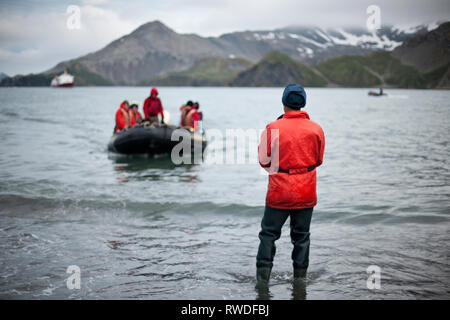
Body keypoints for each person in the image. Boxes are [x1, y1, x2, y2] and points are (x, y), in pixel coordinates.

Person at [256, 84, 325, 287]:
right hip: (306, 190)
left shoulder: (272, 127)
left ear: (284, 103)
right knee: (302, 237)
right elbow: (318, 160)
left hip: (279, 191)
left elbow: (263, 161)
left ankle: (262, 284)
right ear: (303, 103)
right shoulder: (316, 129)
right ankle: (300, 282)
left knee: (268, 235)